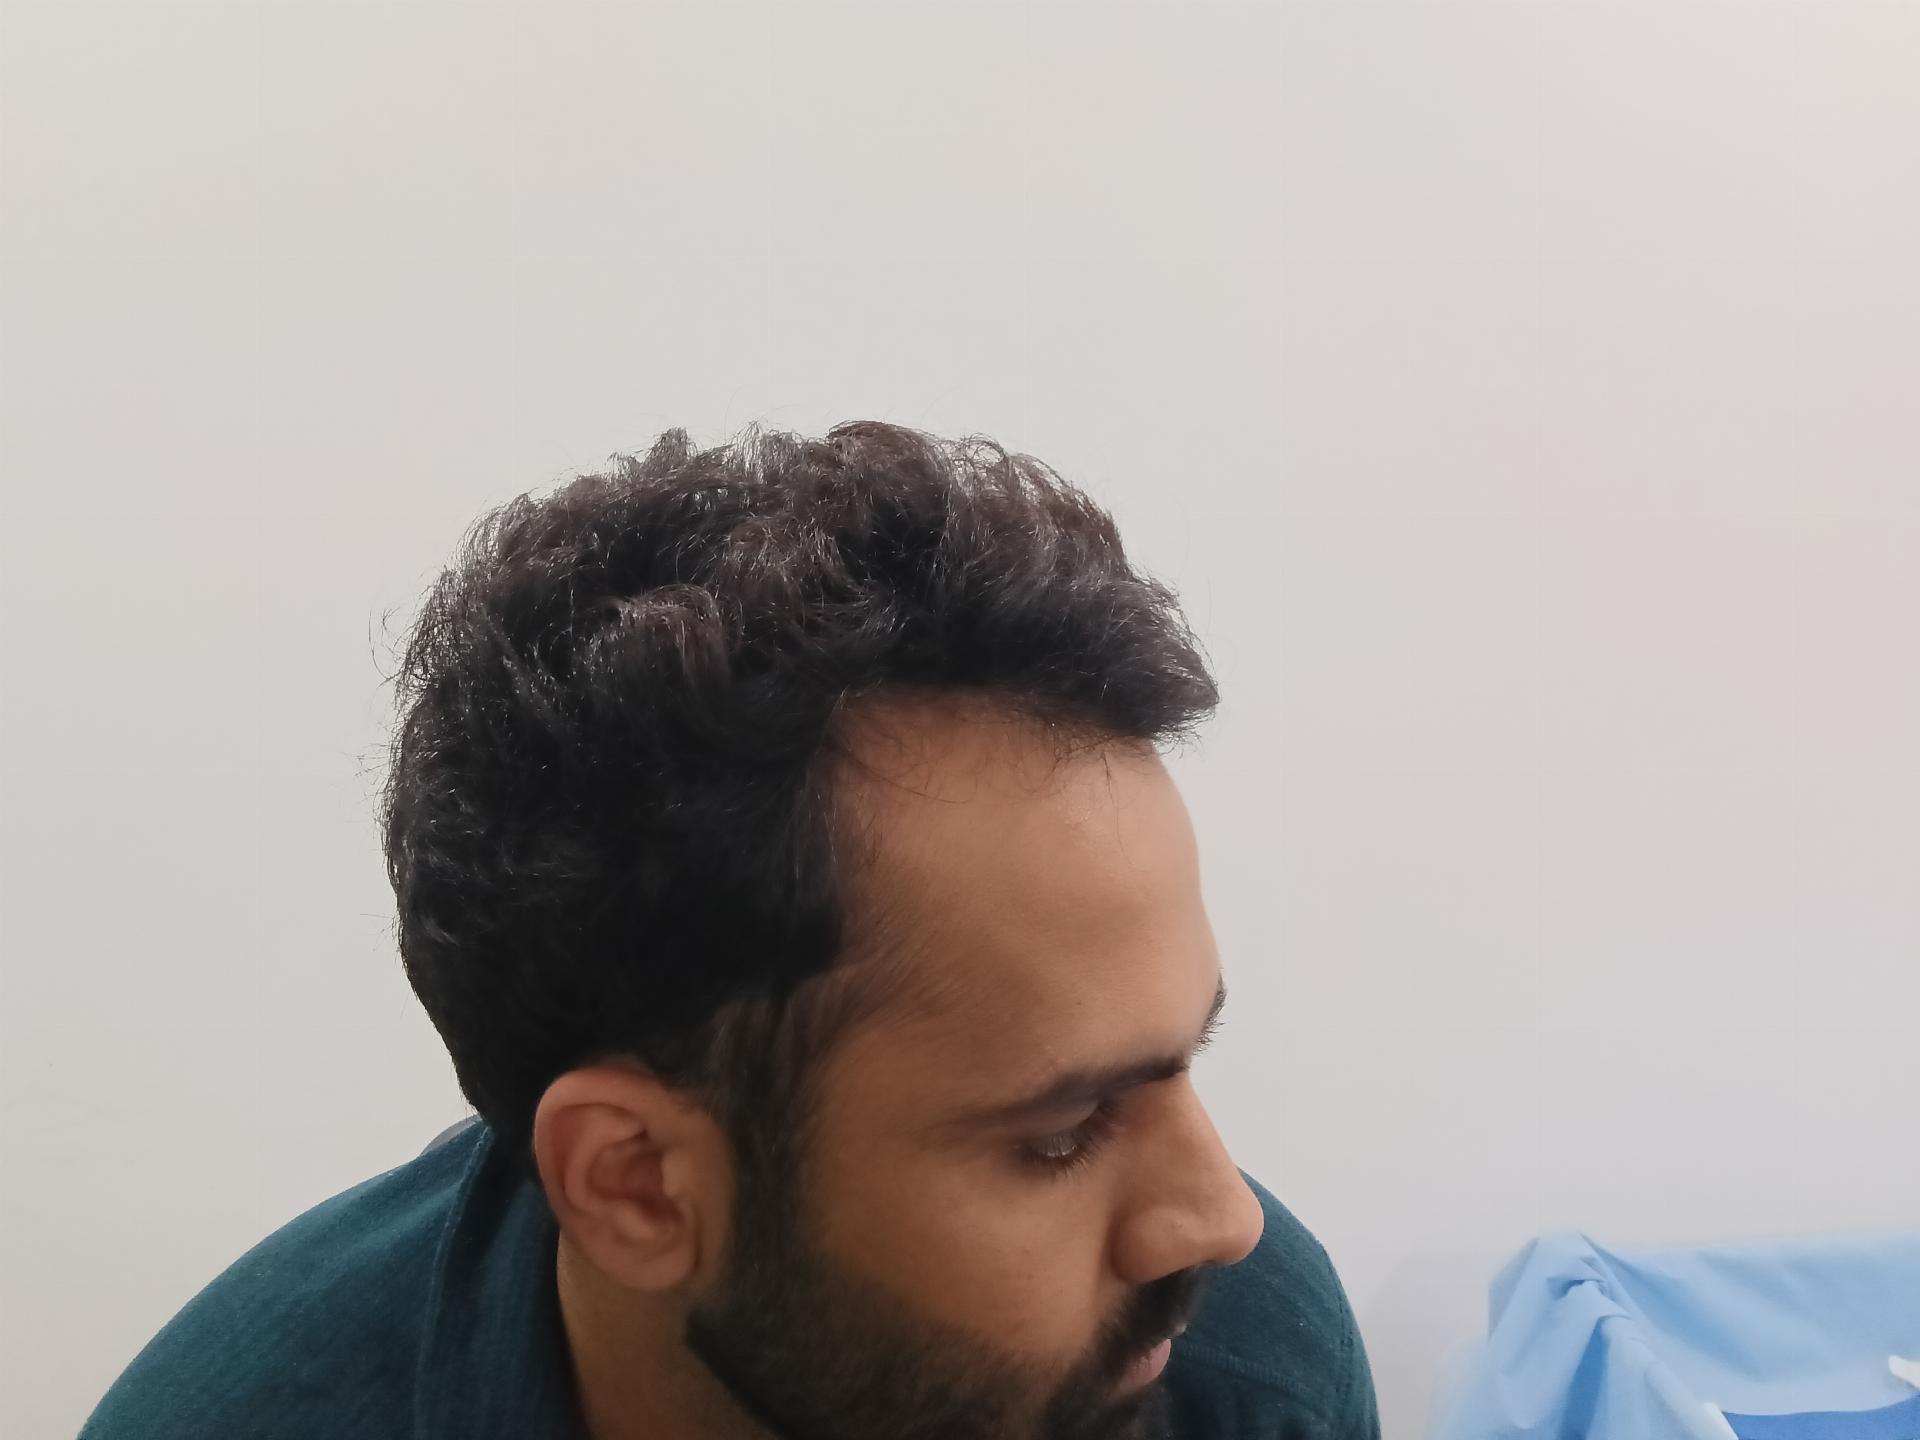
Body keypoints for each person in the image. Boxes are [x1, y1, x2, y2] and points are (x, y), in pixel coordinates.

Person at [81, 421, 1380, 1440]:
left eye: (1183, 1059)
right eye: (1061, 1133)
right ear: (636, 1181)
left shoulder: (1240, 1366)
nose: (1221, 1220)